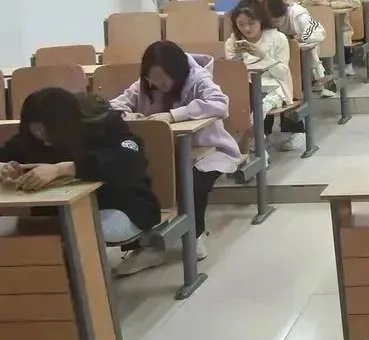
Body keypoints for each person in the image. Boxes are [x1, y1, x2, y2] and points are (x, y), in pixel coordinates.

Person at [109, 41, 242, 272]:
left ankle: (194, 234)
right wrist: (127, 115)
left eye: (162, 80)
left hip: (206, 151)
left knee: (191, 181)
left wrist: (173, 115)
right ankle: (142, 246)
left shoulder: (198, 78)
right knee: (131, 179)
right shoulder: (144, 84)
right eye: (151, 79)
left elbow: (220, 104)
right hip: (163, 154)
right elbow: (115, 105)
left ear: (177, 72)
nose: (156, 85)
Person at [0, 88, 160, 259]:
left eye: (46, 131)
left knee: (73, 231)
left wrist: (64, 169)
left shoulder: (103, 124)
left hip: (120, 206)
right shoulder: (32, 137)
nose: (42, 137)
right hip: (61, 212)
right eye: (36, 131)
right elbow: (9, 153)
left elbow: (128, 161)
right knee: (33, 232)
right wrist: (4, 166)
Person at [224, 0, 294, 154]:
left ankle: (257, 149)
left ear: (261, 20)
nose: (246, 29)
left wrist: (262, 55)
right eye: (241, 24)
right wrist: (237, 61)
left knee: (258, 110)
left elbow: (282, 73)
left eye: (251, 23)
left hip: (274, 87)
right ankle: (249, 145)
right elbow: (233, 75)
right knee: (230, 107)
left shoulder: (278, 38)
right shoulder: (232, 42)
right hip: (245, 88)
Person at [290, 0, 369, 73]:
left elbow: (355, 2)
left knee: (336, 39)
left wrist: (330, 4)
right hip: (315, 29)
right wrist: (304, 3)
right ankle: (317, 73)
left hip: (338, 28)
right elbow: (290, 3)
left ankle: (339, 67)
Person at [264, 0, 332, 99]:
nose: (273, 22)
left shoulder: (298, 14)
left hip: (302, 51)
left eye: (275, 20)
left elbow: (319, 31)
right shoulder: (266, 20)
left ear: (282, 13)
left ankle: (317, 81)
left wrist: (300, 37)